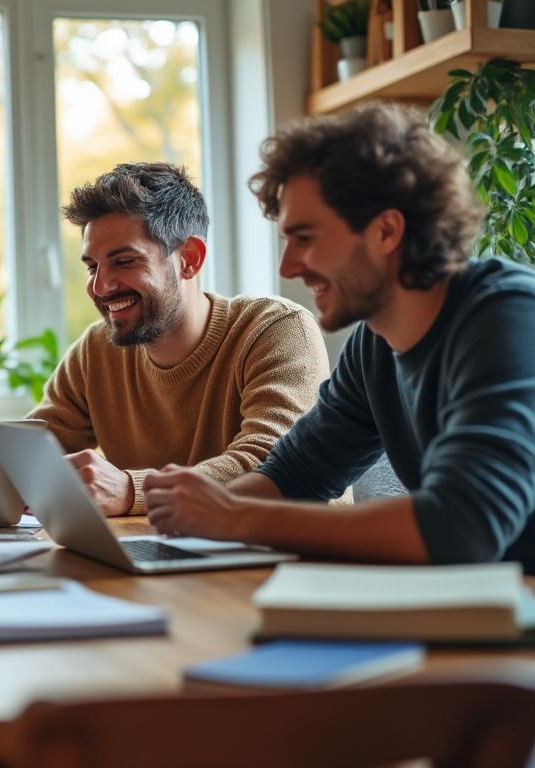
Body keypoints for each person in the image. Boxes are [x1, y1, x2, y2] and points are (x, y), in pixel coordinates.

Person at [143, 102, 535, 572]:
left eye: (305, 237)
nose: (288, 267)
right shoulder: (375, 344)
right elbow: (294, 474)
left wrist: (236, 517)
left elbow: (460, 527)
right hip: (486, 610)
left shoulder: (507, 317)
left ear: (387, 230)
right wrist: (195, 519)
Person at [28, 162, 328, 515]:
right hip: (167, 553)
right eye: (93, 267)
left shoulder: (276, 330)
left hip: (291, 558)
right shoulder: (97, 351)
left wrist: (132, 490)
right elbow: (30, 450)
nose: (100, 286)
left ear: (189, 259)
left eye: (124, 261)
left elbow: (274, 466)